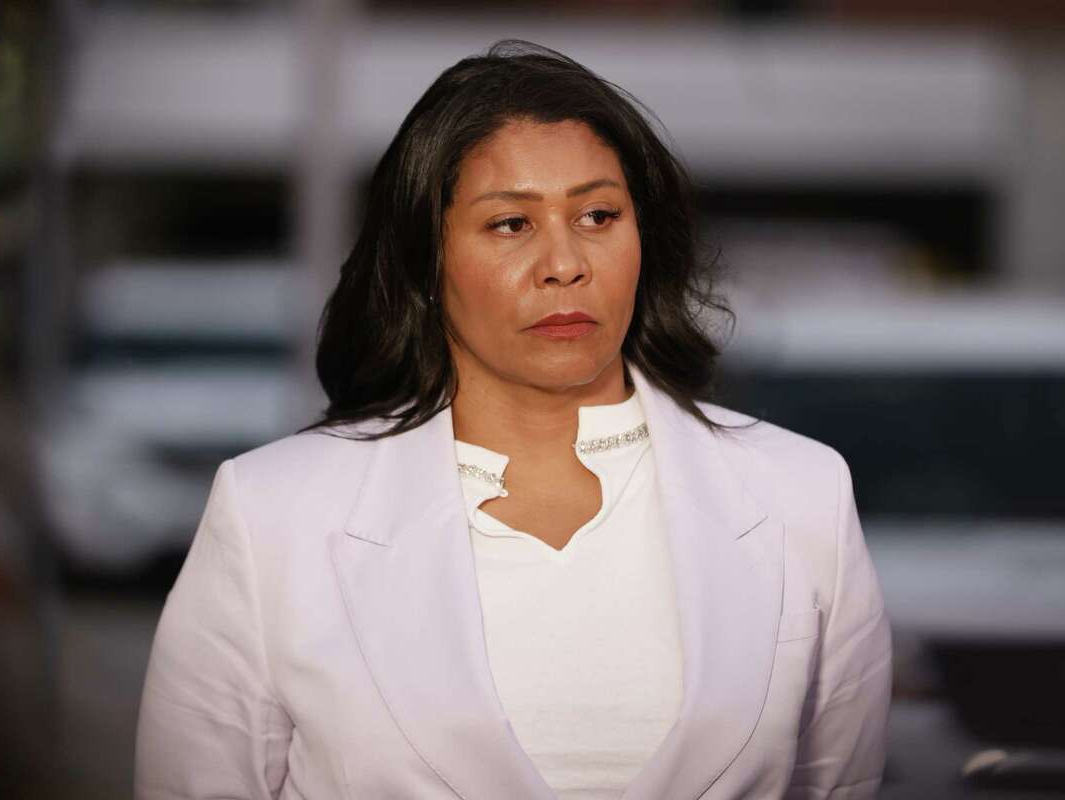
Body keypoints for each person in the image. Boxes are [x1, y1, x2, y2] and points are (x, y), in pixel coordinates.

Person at [135, 40, 893, 800]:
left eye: (598, 215)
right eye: (510, 225)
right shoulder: (274, 512)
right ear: (425, 262)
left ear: (644, 241)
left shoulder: (802, 497)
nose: (564, 263)